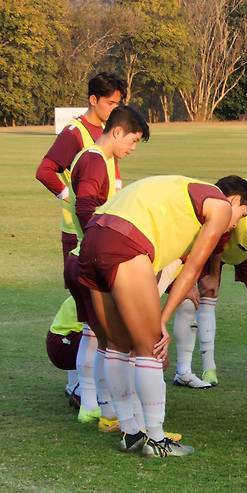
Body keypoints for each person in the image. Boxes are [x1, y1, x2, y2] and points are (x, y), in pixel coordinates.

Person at [77, 174, 247, 457]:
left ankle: (129, 431)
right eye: (241, 214)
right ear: (234, 200)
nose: (234, 224)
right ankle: (157, 439)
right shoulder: (220, 206)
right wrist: (162, 319)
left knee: (117, 346)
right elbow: (193, 268)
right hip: (125, 241)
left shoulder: (181, 187)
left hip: (93, 235)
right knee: (150, 349)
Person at [36, 72, 126, 401]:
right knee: (82, 306)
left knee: (94, 306)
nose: (115, 107)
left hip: (103, 230)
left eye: (119, 102)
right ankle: (77, 383)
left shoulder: (108, 132)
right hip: (78, 233)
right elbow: (45, 169)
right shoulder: (76, 132)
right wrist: (69, 197)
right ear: (93, 100)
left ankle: (88, 383)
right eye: (111, 102)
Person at [65, 106, 148, 428]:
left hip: (80, 254)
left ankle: (94, 401)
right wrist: (99, 246)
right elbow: (86, 205)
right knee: (100, 336)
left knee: (94, 333)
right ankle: (96, 401)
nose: (132, 148)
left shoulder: (90, 157)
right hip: (88, 256)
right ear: (117, 131)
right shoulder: (96, 160)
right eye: (133, 140)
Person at [172, 167, 247, 387]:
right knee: (206, 295)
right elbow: (217, 239)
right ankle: (209, 368)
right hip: (216, 247)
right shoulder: (233, 208)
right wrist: (214, 274)